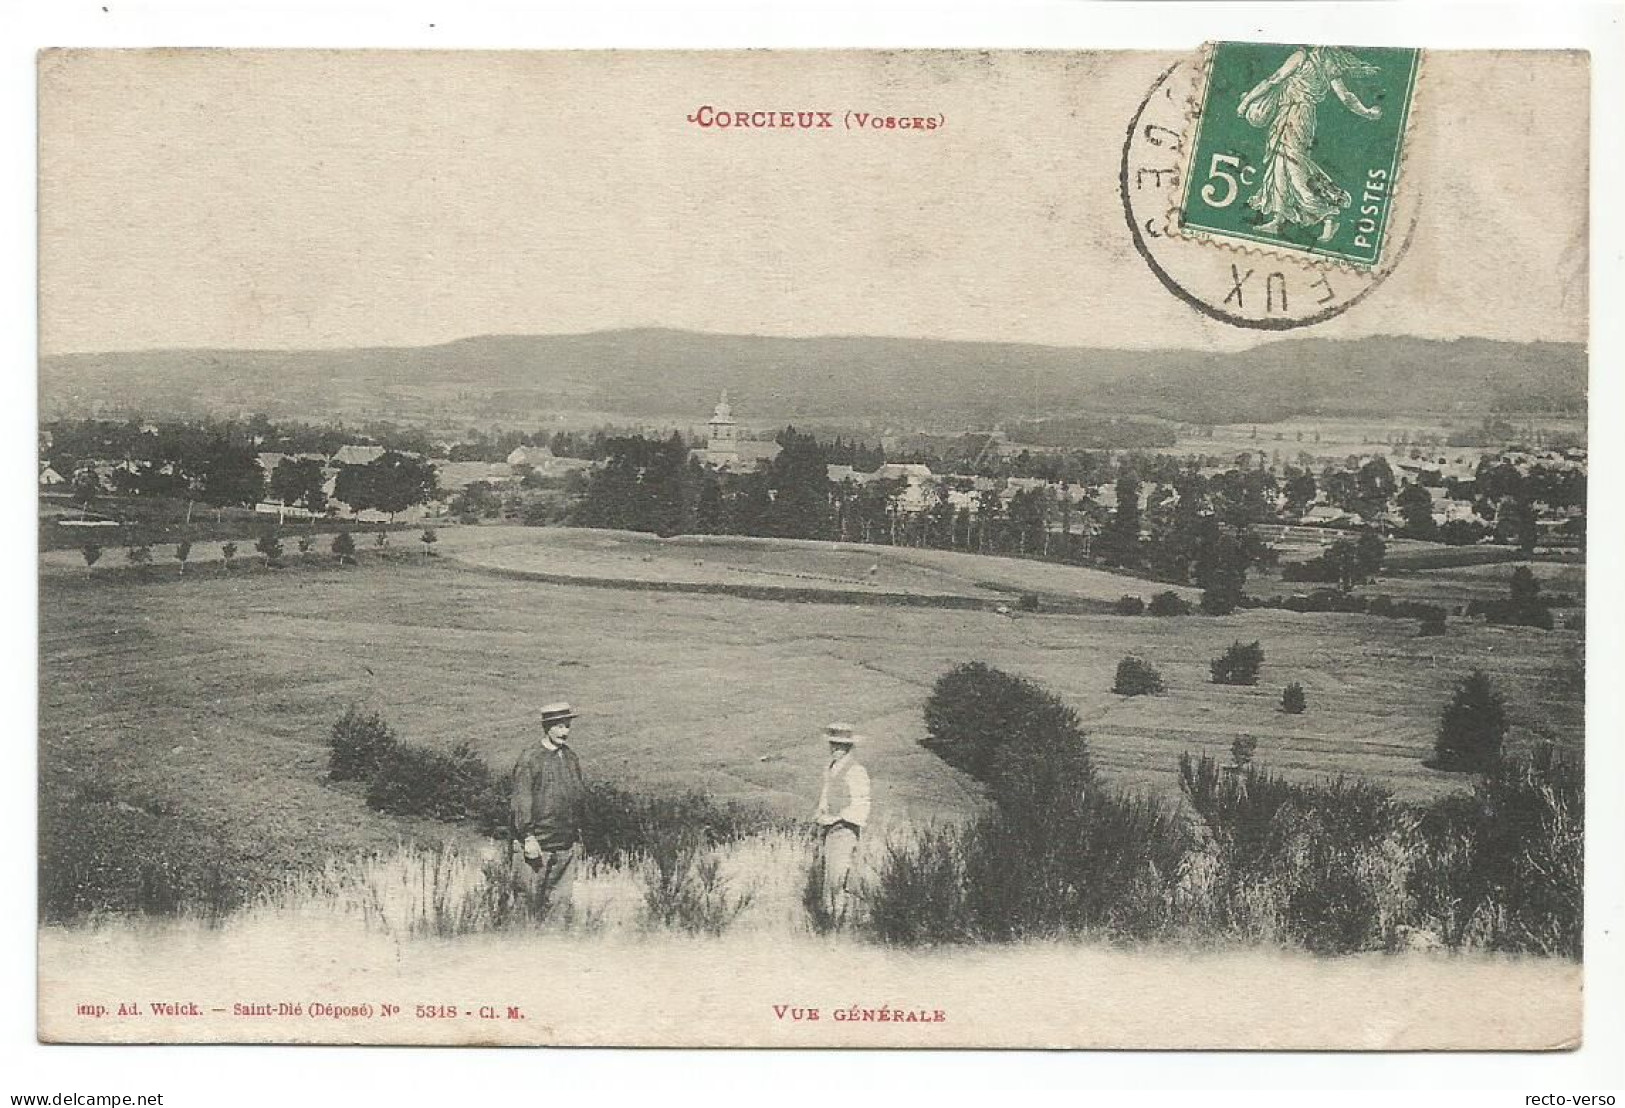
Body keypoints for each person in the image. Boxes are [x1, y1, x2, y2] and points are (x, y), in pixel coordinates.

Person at [1235, 46, 1384, 242]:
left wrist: (1246, 102)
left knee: (1293, 165)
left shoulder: (1301, 56)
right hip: (1298, 115)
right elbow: (1346, 96)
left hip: (1295, 115)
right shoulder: (1329, 62)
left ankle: (1329, 214)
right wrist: (1366, 112)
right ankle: (1278, 219)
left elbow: (1273, 80)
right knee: (1281, 164)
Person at [509, 700, 587, 908]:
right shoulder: (530, 759)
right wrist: (528, 838)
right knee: (526, 904)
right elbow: (521, 800)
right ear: (547, 727)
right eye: (559, 726)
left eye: (567, 725)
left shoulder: (571, 758)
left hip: (565, 846)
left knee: (560, 907)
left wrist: (576, 838)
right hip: (537, 846)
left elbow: (577, 796)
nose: (565, 731)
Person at [813, 722, 871, 920]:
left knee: (839, 877)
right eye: (833, 744)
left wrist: (839, 817)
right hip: (829, 830)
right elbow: (826, 795)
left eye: (841, 745)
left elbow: (862, 803)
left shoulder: (856, 771)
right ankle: (830, 922)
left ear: (849, 748)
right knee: (828, 879)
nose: (836, 749)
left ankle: (842, 922)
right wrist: (821, 813)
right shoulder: (830, 768)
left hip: (845, 829)